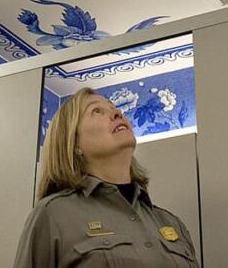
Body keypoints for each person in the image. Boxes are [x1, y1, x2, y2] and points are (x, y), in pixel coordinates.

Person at [12, 87, 200, 267]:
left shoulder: (171, 223)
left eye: (114, 108)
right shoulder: (53, 215)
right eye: (96, 111)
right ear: (74, 142)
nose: (118, 112)